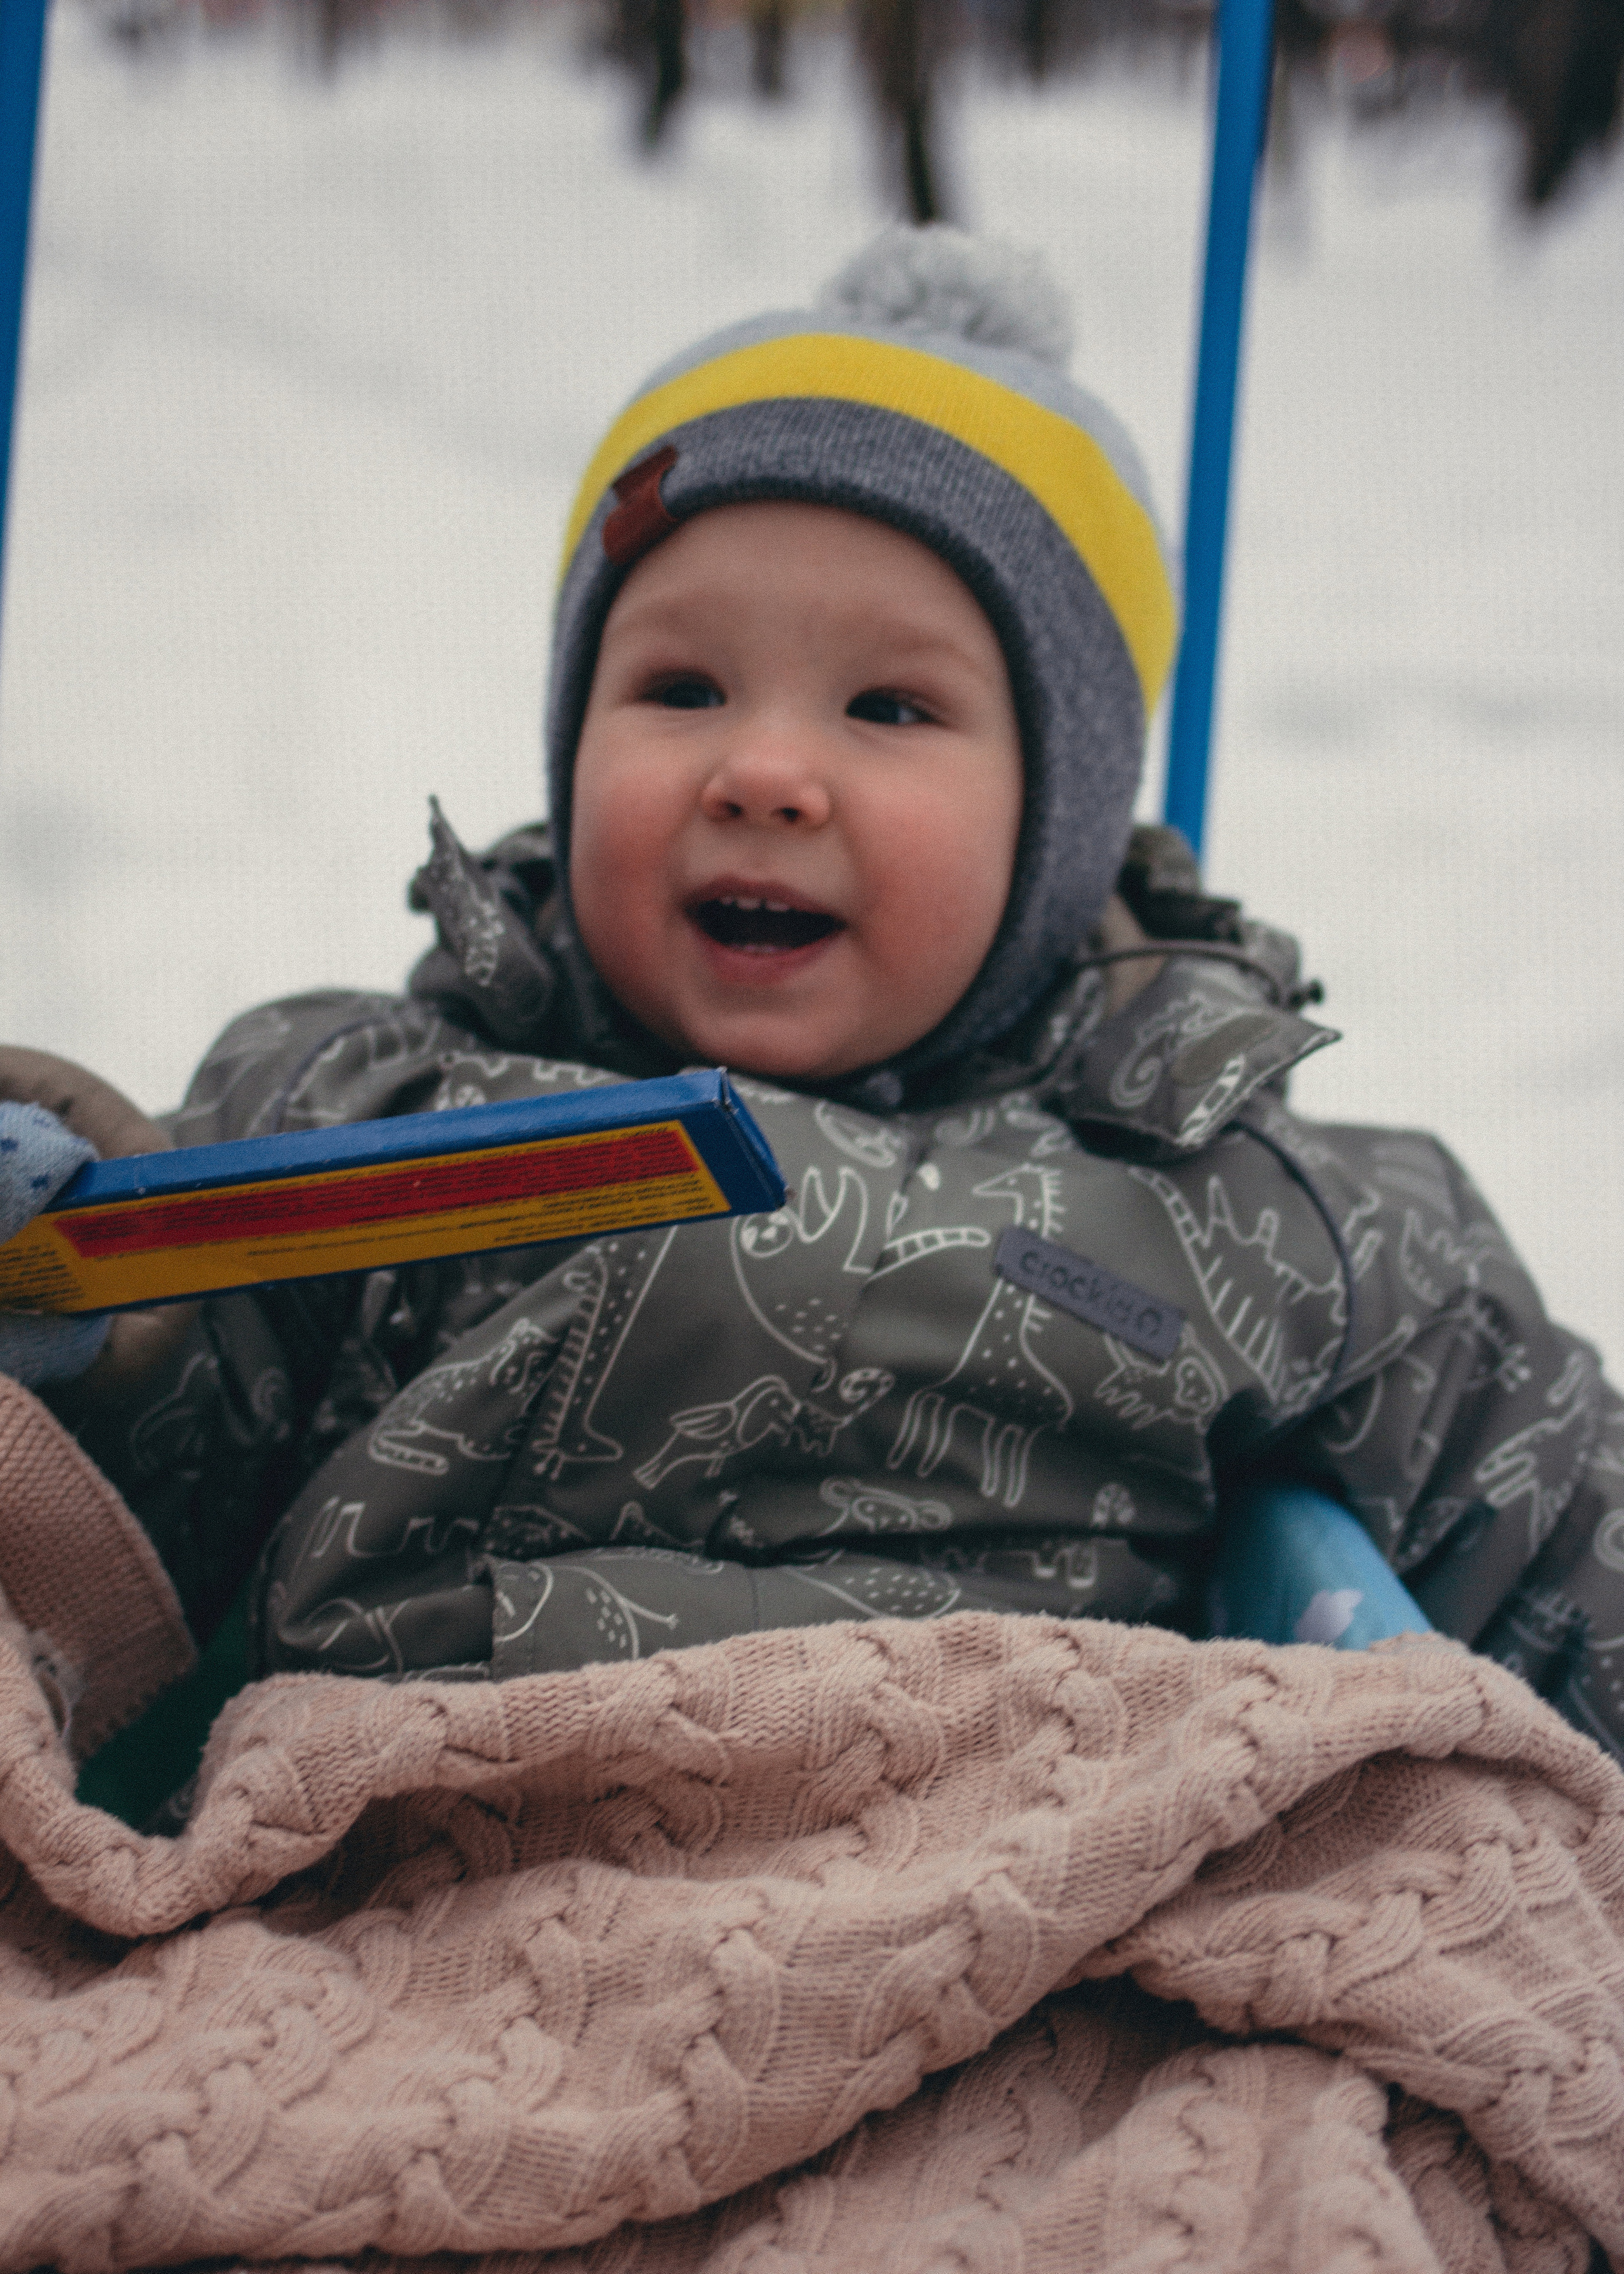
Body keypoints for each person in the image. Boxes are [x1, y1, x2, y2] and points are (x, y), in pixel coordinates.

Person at [4, 227, 1621, 1767]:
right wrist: (96, 1320)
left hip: (1040, 1894)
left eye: (890, 706)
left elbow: (1550, 1515)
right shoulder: (367, 1106)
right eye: (680, 687)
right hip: (417, 1862)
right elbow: (152, 1498)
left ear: (1054, 829)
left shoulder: (1264, 1218)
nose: (764, 770)